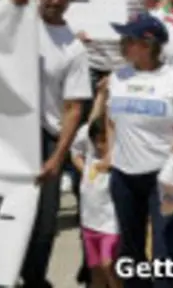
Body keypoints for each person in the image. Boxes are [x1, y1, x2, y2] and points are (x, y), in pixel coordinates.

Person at [108, 13, 173, 288]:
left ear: (148, 44)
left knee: (165, 249)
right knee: (130, 249)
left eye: (128, 39)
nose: (122, 44)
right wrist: (111, 154)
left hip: (165, 177)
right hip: (123, 176)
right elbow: (112, 121)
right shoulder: (117, 76)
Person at [19, 0, 92, 288]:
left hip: (47, 138)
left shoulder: (74, 48)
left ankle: (34, 279)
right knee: (7, 217)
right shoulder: (15, 23)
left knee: (45, 224)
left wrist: (57, 157)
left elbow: (74, 108)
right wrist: (10, 7)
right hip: (8, 134)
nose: (54, 0)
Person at [71, 82, 121, 288]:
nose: (101, 145)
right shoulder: (91, 155)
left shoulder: (117, 158)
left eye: (105, 140)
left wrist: (109, 103)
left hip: (111, 226)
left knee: (110, 266)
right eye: (97, 141)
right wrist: (100, 94)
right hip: (89, 225)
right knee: (96, 272)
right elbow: (77, 149)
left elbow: (110, 129)